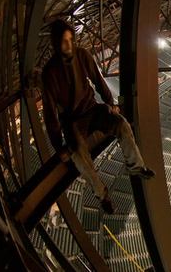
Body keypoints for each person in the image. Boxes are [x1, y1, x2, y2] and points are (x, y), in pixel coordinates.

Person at [41, 19, 154, 214]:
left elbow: (98, 80)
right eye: (63, 41)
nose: (67, 45)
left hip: (92, 109)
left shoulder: (82, 55)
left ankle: (136, 167)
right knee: (79, 156)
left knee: (121, 124)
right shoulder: (49, 73)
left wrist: (110, 104)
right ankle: (102, 195)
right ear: (55, 44)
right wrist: (59, 146)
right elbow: (50, 112)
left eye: (70, 40)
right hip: (72, 121)